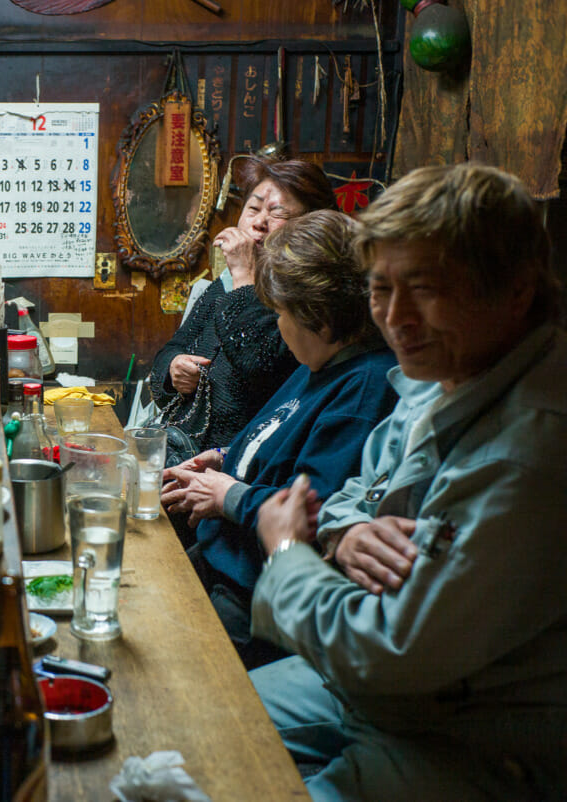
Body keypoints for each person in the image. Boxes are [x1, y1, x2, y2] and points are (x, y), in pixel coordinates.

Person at [248, 163, 567, 800]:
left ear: (517, 290)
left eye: (425, 288)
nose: (397, 318)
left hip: (461, 739)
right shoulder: (437, 374)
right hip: (367, 693)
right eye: (380, 288)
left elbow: (389, 650)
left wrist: (287, 550)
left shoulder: (527, 452)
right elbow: (349, 497)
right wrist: (345, 537)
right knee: (197, 719)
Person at [160, 210, 398, 668]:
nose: (278, 326)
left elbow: (310, 511)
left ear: (319, 320)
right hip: (219, 561)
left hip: (252, 596)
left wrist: (229, 495)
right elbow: (281, 439)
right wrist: (226, 457)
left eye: (281, 314)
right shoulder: (320, 362)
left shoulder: (364, 386)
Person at [148, 157, 338, 455]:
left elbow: (260, 365)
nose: (259, 222)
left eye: (277, 213)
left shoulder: (311, 299)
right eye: (253, 207)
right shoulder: (222, 286)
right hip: (182, 448)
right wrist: (173, 371)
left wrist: (245, 276)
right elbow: (171, 350)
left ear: (311, 225)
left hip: (238, 463)